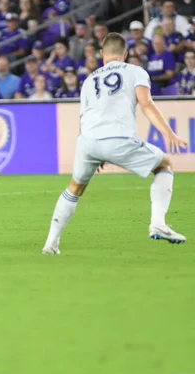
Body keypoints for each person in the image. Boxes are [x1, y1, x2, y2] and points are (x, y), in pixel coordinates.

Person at [42, 33, 187, 255]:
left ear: (102, 54)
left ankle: (51, 243)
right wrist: (169, 133)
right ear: (125, 54)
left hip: (88, 141)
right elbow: (146, 104)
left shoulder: (89, 79)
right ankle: (158, 223)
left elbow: (84, 117)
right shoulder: (135, 71)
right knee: (164, 164)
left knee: (75, 187)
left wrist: (94, 153)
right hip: (117, 139)